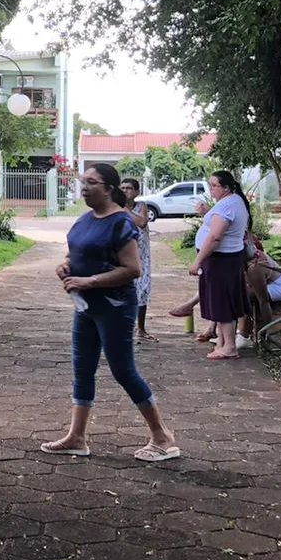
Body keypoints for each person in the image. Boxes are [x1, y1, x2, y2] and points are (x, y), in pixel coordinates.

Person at [42, 163, 179, 463]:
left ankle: (162, 436)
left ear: (108, 188)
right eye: (83, 181)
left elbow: (132, 269)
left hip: (115, 307)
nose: (85, 186)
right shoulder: (84, 219)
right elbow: (76, 252)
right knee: (82, 368)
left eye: (92, 182)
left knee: (122, 370)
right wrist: (65, 265)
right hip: (86, 306)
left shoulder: (121, 222)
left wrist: (88, 280)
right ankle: (76, 437)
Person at [189, 170, 250, 360]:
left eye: (214, 185)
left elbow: (215, 236)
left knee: (222, 301)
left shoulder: (228, 205)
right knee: (220, 300)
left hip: (221, 259)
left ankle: (229, 346)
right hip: (222, 259)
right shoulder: (229, 202)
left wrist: (197, 261)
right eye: (209, 185)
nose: (211, 189)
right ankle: (223, 343)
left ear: (226, 187)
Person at [121, 178, 157, 342]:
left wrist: (125, 210)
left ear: (136, 192)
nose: (125, 191)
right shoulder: (115, 206)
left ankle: (140, 328)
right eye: (122, 188)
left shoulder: (141, 206)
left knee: (142, 288)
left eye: (129, 188)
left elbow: (142, 222)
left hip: (141, 253)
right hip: (122, 253)